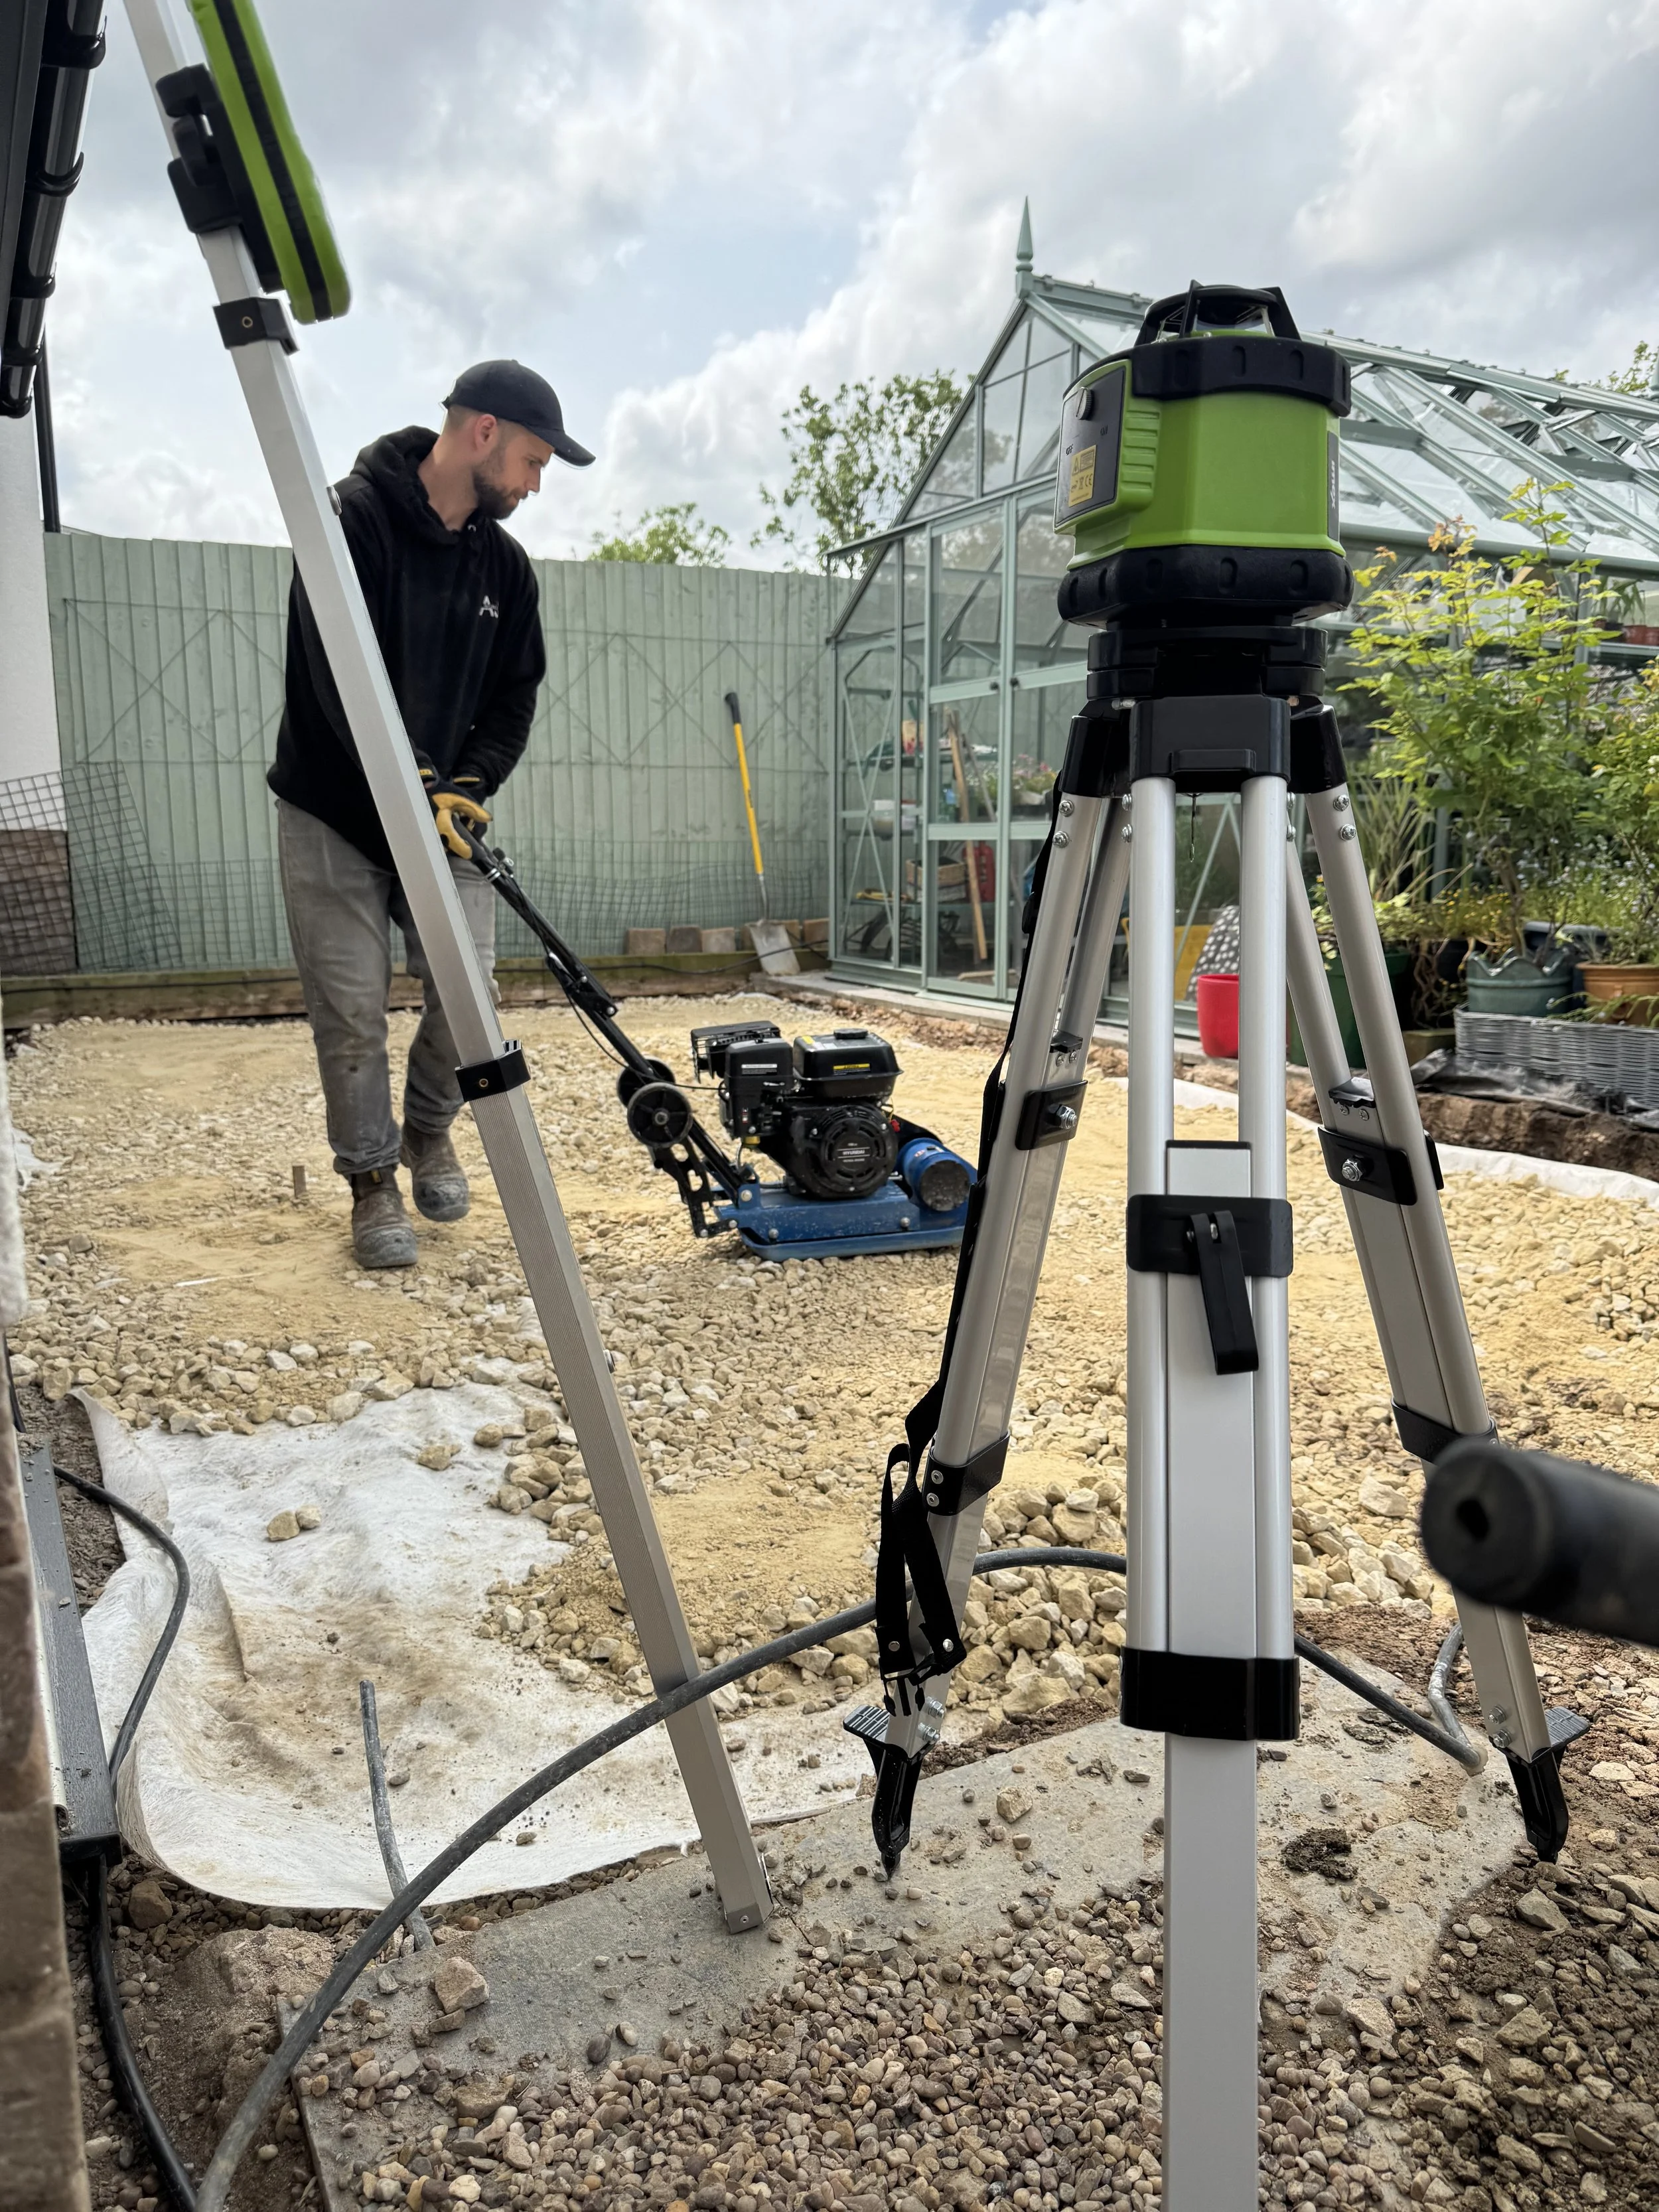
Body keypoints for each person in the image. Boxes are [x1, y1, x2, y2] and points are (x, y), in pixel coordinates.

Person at [269, 360, 593, 1268]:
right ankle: (372, 1186)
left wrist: (468, 783)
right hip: (331, 809)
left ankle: (426, 1132)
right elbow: (336, 669)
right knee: (351, 1010)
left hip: (443, 813)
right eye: (534, 462)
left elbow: (514, 697)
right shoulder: (353, 520)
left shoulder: (505, 569)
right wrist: (406, 773)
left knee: (469, 988)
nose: (535, 484)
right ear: (482, 432)